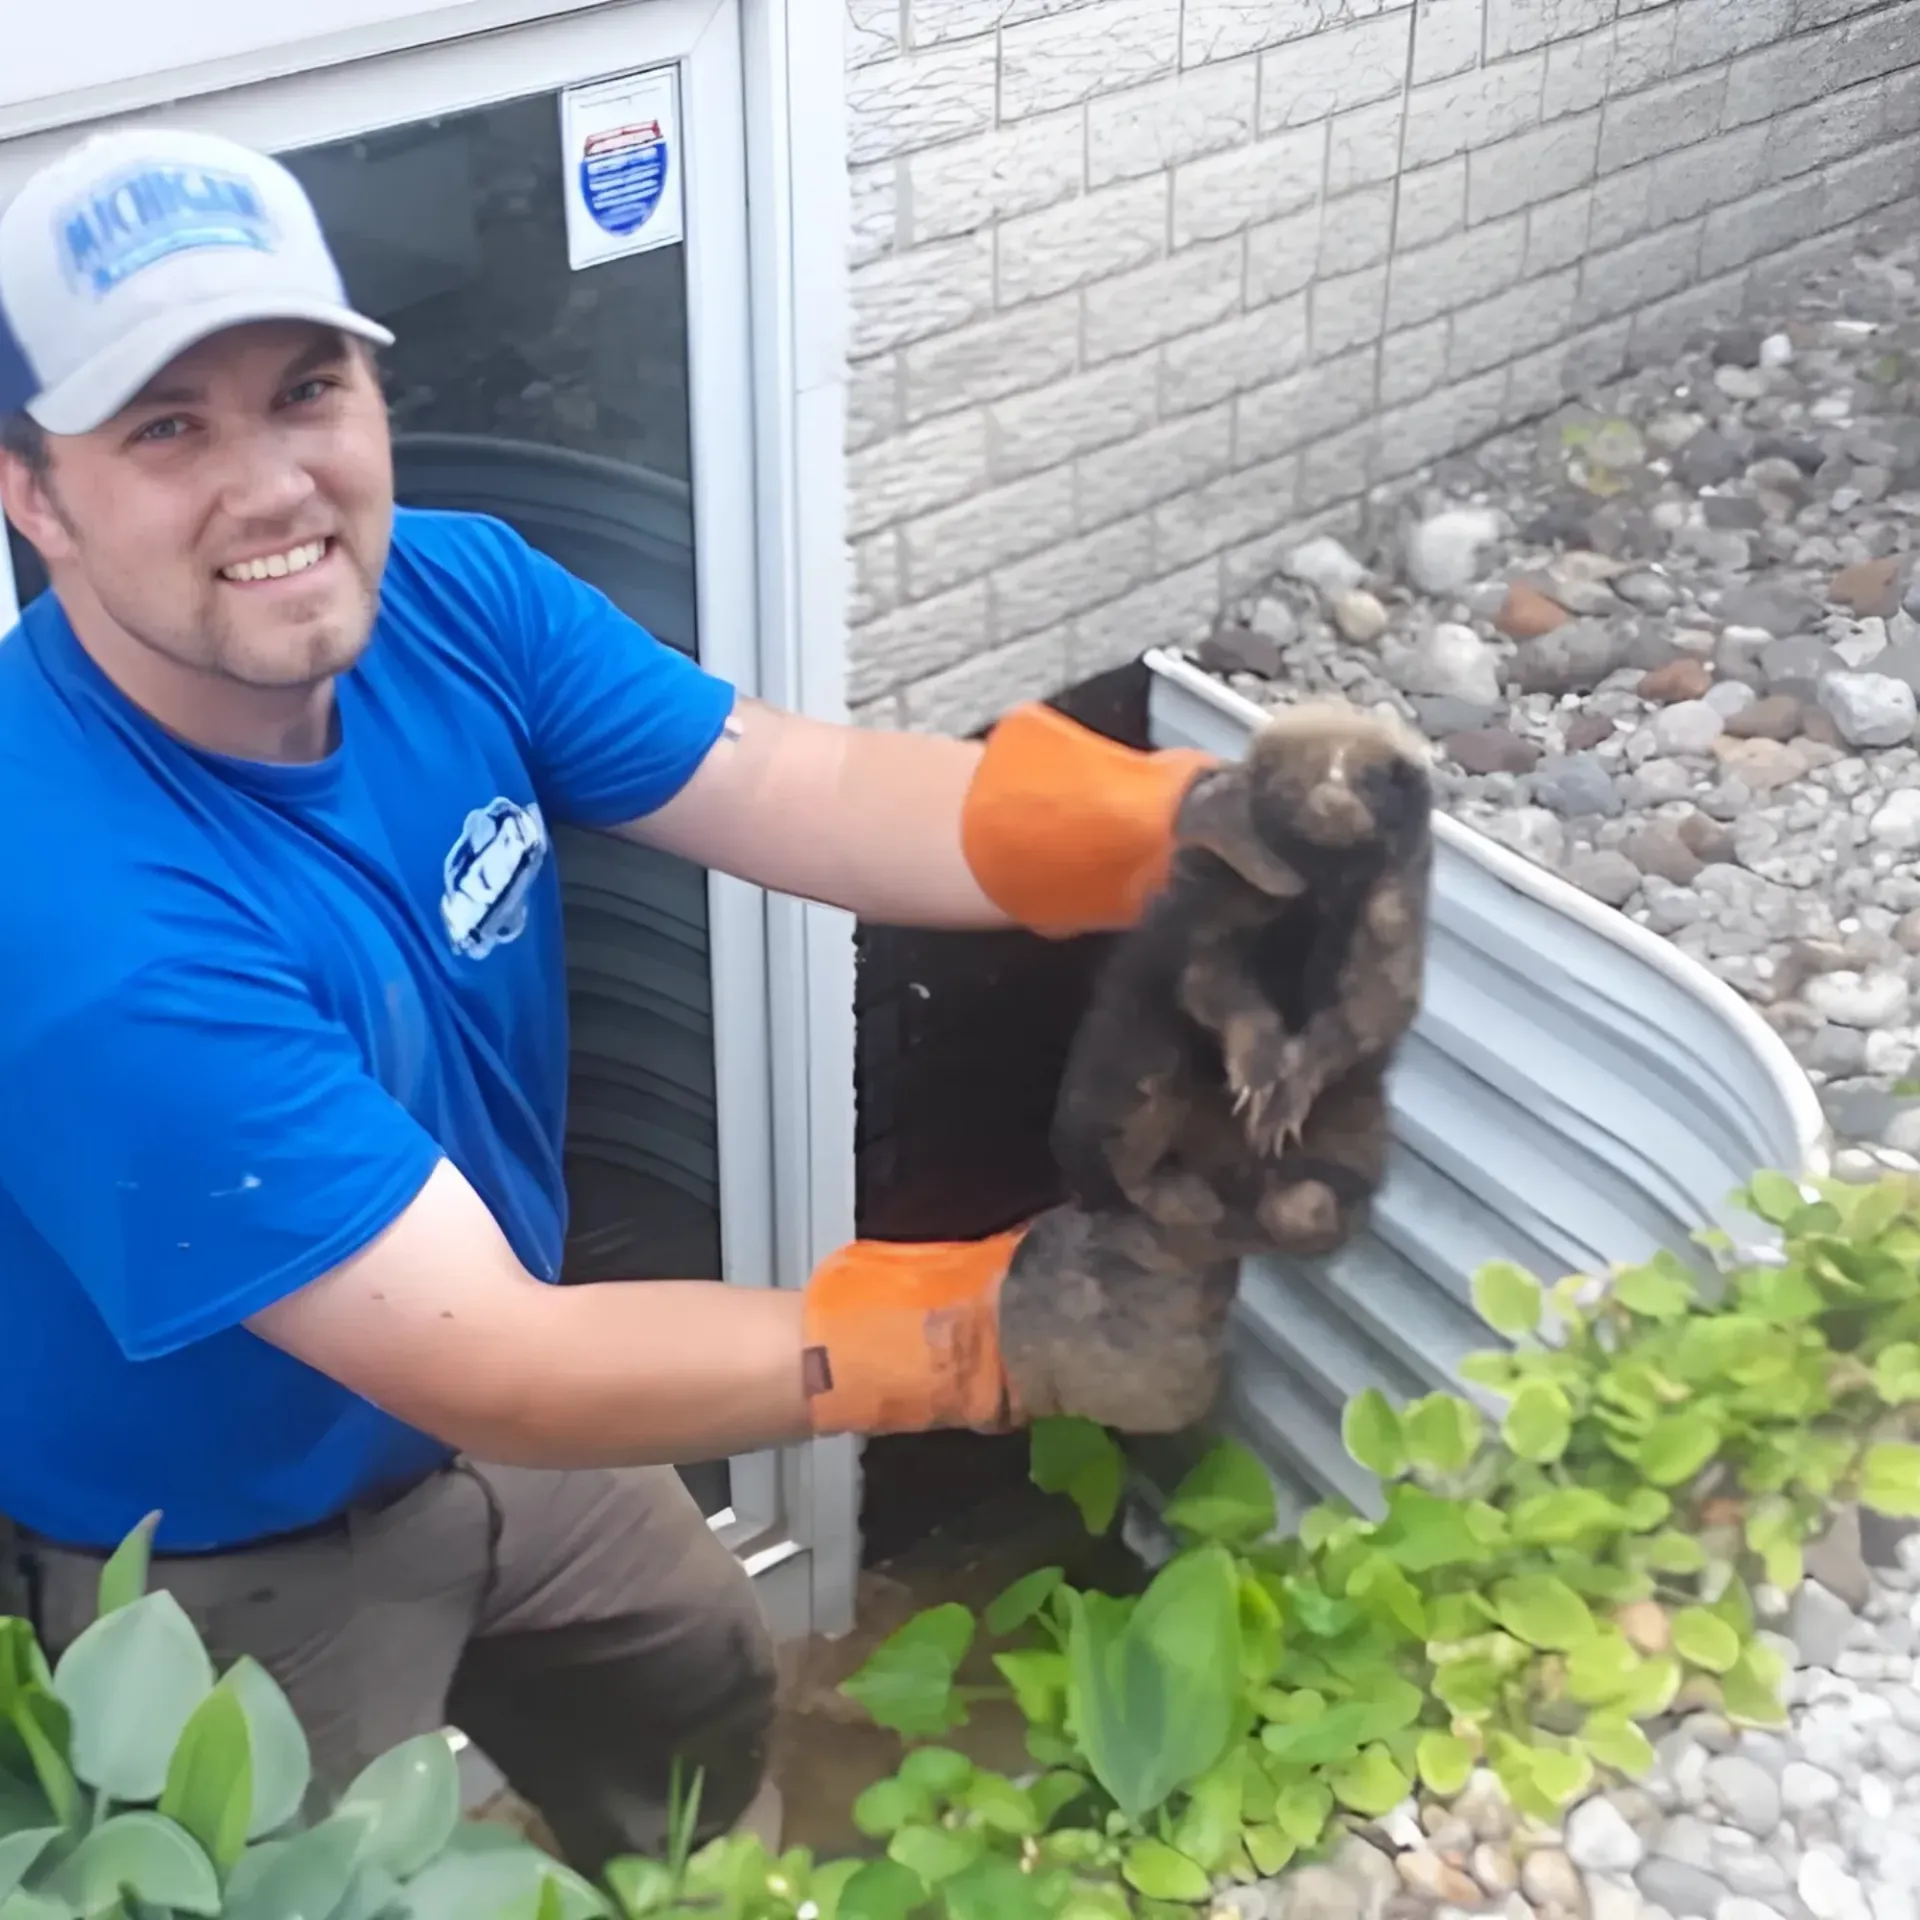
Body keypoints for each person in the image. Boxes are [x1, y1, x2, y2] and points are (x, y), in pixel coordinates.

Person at [0, 129, 1227, 1873]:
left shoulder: (453, 591)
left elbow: (779, 782)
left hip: (515, 1397)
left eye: (305, 389)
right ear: (33, 493)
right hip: (230, 1546)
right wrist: (976, 1337)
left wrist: (1181, 837)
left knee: (698, 1695)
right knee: (317, 1894)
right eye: (166, 429)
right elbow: (496, 1362)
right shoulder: (71, 915)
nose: (273, 486)